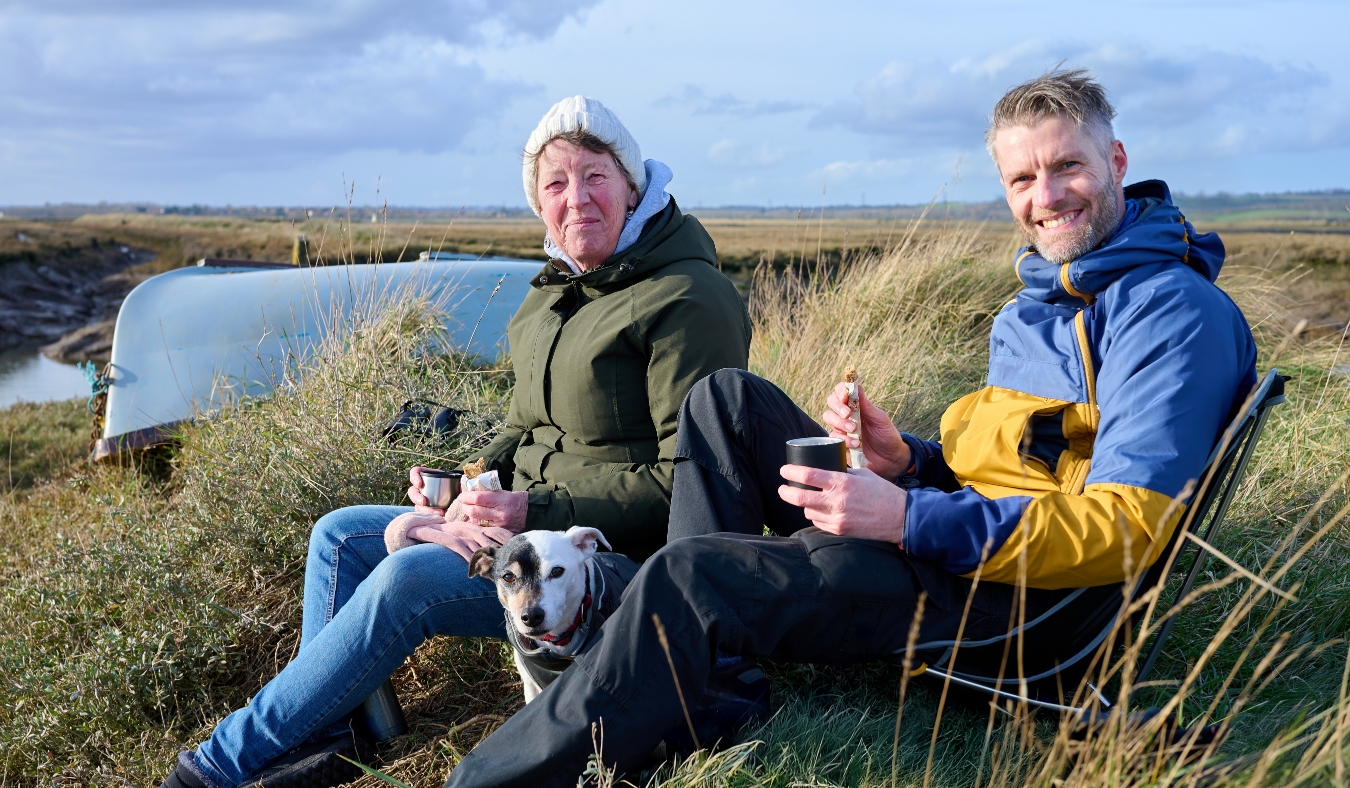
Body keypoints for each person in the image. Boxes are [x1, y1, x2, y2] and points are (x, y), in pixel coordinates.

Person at [440, 69, 1259, 787]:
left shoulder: (1169, 316)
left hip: (1014, 610)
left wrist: (903, 515)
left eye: (1068, 166)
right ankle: (715, 683)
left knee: (686, 575)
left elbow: (1123, 530)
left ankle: (488, 778)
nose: (1045, 197)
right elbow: (1031, 469)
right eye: (1022, 178)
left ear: (1116, 164)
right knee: (727, 400)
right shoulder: (1035, 308)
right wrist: (908, 461)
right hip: (952, 541)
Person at [159, 95, 752, 788]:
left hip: (610, 563)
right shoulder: (556, 291)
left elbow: (689, 483)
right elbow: (522, 426)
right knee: (339, 535)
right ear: (539, 204)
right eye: (556, 183)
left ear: (633, 183)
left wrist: (533, 512)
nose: (578, 198)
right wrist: (469, 483)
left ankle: (217, 767)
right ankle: (331, 727)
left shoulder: (687, 296)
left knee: (408, 580)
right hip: (524, 529)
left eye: (595, 175)